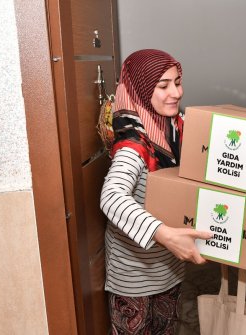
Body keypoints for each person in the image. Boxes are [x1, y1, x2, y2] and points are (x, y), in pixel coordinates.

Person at [100, 49, 212, 335]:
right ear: (139, 91)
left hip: (169, 270)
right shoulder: (133, 145)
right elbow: (112, 198)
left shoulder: (176, 129)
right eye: (163, 86)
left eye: (177, 82)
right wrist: (166, 235)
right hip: (134, 279)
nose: (176, 92)